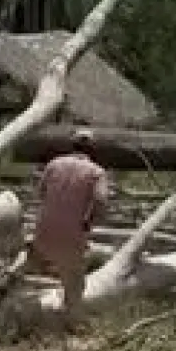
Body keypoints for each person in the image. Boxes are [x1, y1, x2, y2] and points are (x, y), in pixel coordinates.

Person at [28, 128, 111, 327]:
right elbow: (100, 200)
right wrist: (89, 222)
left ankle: (5, 285)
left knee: (33, 261)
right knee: (74, 282)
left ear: (72, 146)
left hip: (43, 229)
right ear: (93, 150)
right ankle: (71, 322)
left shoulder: (54, 164)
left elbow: (41, 193)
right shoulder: (96, 172)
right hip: (72, 233)